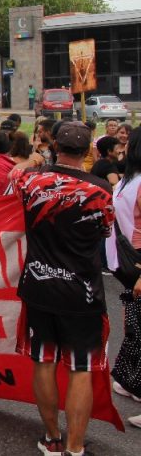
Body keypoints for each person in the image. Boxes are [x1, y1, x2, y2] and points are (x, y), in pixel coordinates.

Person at [11, 121, 115, 456]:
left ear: (55, 145)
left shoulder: (29, 180)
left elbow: (14, 174)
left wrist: (36, 161)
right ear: (87, 153)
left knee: (43, 361)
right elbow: (106, 232)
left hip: (39, 284)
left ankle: (52, 437)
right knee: (81, 367)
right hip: (82, 290)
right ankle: (75, 445)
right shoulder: (100, 189)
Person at [110, 127, 141, 429]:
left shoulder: (126, 182)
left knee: (136, 325)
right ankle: (132, 381)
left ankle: (131, 380)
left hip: (127, 263)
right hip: (134, 263)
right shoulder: (132, 182)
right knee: (136, 326)